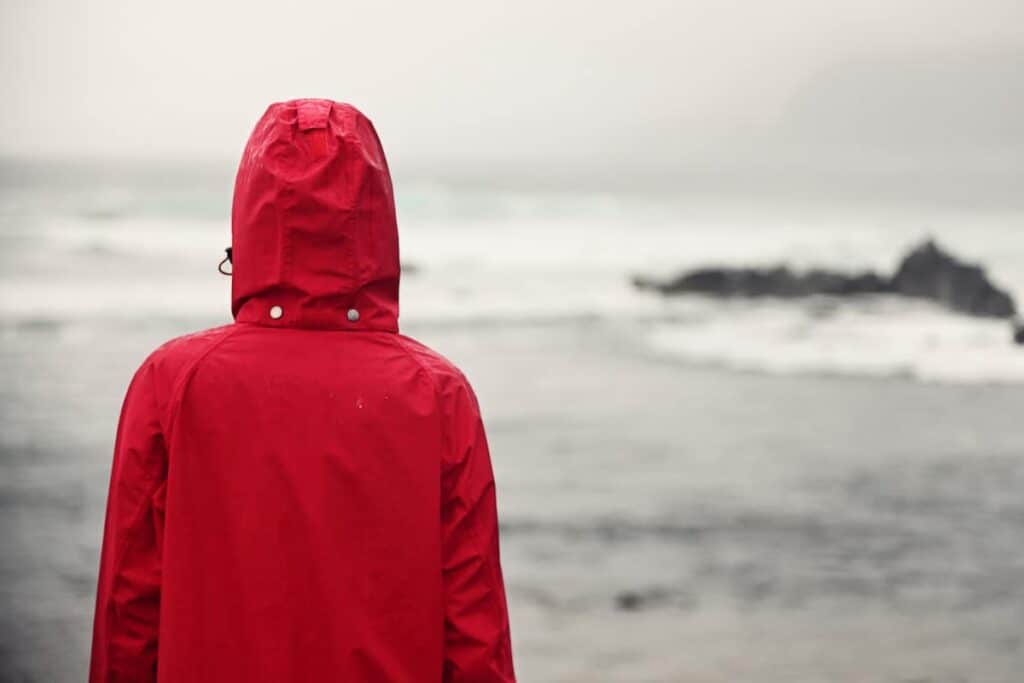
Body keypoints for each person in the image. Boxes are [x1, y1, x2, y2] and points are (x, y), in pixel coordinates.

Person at [89, 99, 515, 682]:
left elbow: (128, 610)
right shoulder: (438, 393)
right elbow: (475, 631)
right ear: (377, 223)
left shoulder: (171, 382)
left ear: (249, 221)